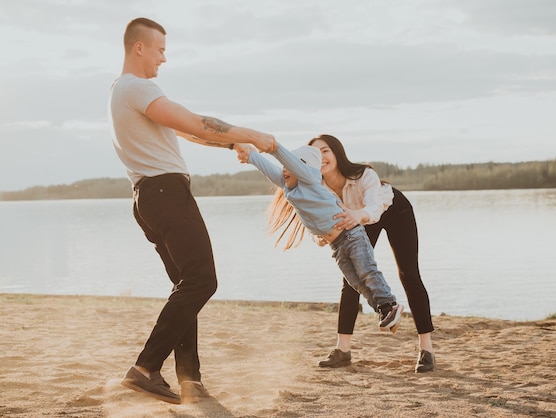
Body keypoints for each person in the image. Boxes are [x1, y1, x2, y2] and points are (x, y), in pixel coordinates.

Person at [108, 17, 277, 404]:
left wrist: (227, 145)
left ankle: (190, 380)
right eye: (160, 49)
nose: (164, 58)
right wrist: (251, 135)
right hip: (166, 194)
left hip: (148, 198)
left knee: (187, 285)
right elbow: (195, 122)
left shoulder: (122, 91)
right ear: (139, 47)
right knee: (203, 280)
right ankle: (144, 368)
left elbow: (183, 131)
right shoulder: (137, 87)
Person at [234, 142, 404, 333]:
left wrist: (273, 147)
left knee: (367, 272)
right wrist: (250, 156)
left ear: (303, 168)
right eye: (284, 167)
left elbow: (291, 163)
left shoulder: (310, 178)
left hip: (352, 236)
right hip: (337, 245)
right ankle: (384, 310)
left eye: (290, 165)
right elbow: (270, 170)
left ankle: (389, 303)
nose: (284, 170)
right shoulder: (288, 185)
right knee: (355, 282)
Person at [308, 134, 435, 373]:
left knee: (409, 275)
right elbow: (315, 220)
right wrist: (320, 237)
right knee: (350, 281)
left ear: (337, 153)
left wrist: (357, 215)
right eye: (315, 154)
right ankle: (343, 350)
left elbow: (375, 209)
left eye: (325, 151)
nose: (322, 157)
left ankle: (426, 350)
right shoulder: (316, 187)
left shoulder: (364, 174)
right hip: (355, 221)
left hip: (392, 210)